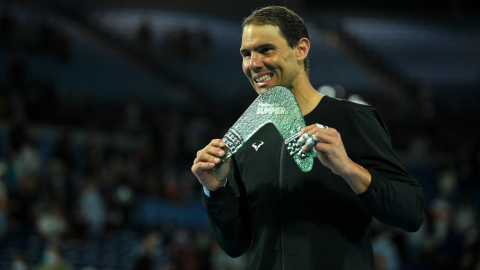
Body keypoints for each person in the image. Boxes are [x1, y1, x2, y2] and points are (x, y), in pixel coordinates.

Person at [191, 6, 425, 270]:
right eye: (246, 54)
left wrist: (348, 168)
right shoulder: (246, 134)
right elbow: (235, 245)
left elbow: (412, 213)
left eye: (266, 50)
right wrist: (215, 190)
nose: (253, 63)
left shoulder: (352, 119)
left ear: (301, 49)